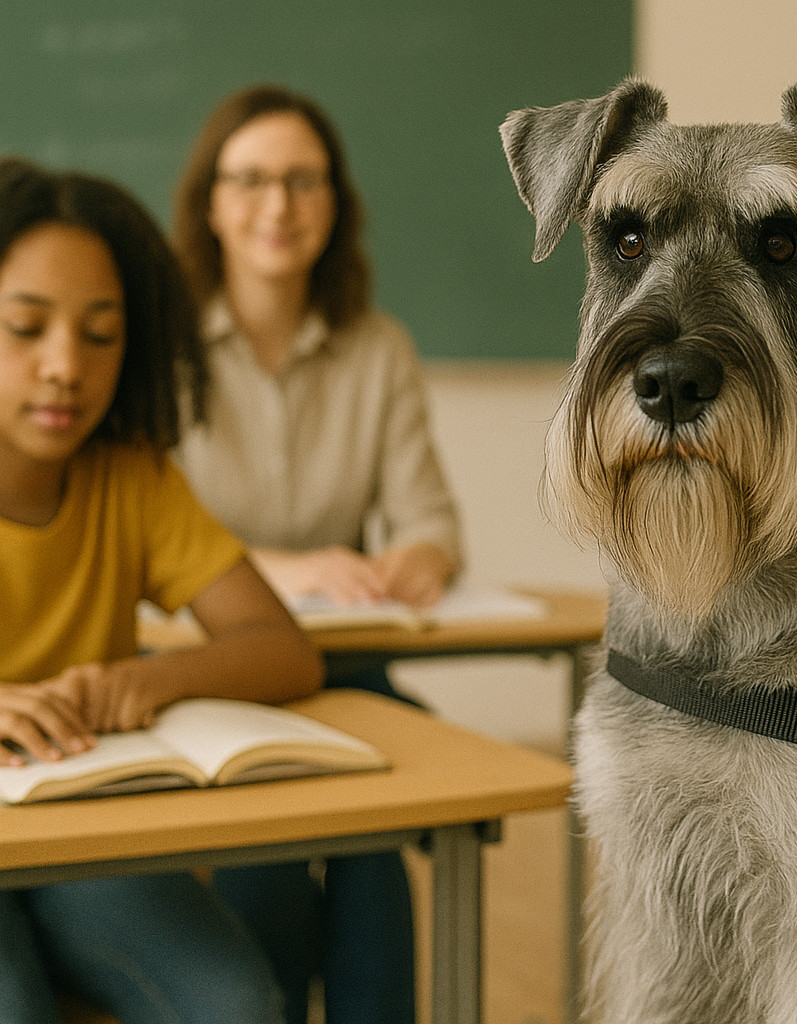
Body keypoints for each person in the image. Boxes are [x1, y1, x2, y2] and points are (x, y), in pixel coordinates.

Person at [0, 157, 322, 1024]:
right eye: (25, 327)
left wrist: (145, 679)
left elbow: (281, 647)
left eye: (101, 335)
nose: (66, 366)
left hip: (81, 833)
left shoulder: (131, 478)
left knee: (240, 1004)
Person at [169, 84, 462, 1024]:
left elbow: (431, 521)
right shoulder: (158, 351)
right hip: (215, 668)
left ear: (335, 203)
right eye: (251, 179)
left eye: (304, 181)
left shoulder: (377, 350)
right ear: (209, 203)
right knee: (278, 838)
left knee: (373, 834)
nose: (278, 205)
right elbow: (149, 545)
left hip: (346, 663)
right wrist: (282, 572)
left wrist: (418, 559)